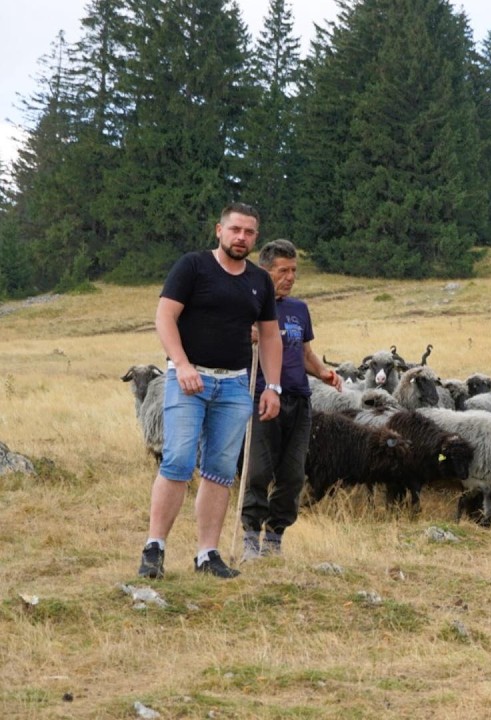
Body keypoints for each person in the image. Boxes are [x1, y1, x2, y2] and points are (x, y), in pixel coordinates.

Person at [137, 202, 283, 580]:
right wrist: (181, 364)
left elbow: (270, 336)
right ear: (219, 230)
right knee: (178, 461)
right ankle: (154, 548)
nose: (241, 237)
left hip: (234, 386)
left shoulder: (260, 281)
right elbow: (165, 316)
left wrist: (273, 386)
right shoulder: (193, 266)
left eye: (249, 232)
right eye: (235, 229)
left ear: (256, 237)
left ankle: (207, 554)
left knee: (219, 471)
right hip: (189, 381)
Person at [240, 239, 343, 560]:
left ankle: (275, 536)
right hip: (260, 398)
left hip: (299, 400)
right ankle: (249, 537)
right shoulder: (247, 305)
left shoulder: (299, 309)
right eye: (283, 271)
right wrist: (244, 334)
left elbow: (306, 353)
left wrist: (324, 373)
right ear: (264, 271)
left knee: (293, 475)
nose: (290, 277)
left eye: (294, 271)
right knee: (258, 471)